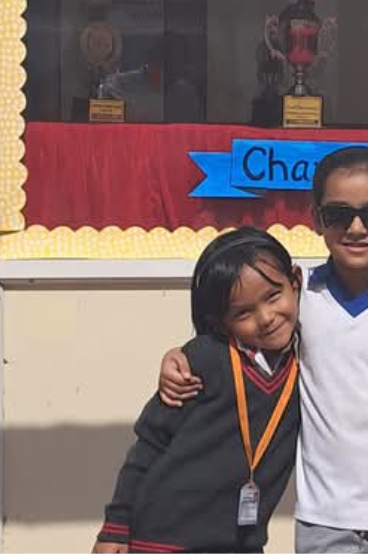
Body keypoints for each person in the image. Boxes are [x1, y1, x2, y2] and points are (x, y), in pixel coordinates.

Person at [160, 147, 368, 554]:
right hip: (326, 520)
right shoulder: (297, 294)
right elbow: (240, 329)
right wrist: (178, 356)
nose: (356, 228)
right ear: (316, 218)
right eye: (338, 214)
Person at [92, 228, 303, 554]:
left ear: (296, 283)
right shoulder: (203, 360)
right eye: (243, 313)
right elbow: (150, 443)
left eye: (273, 296)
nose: (265, 318)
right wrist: (115, 528)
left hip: (240, 545)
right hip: (162, 541)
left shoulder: (311, 363)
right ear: (221, 322)